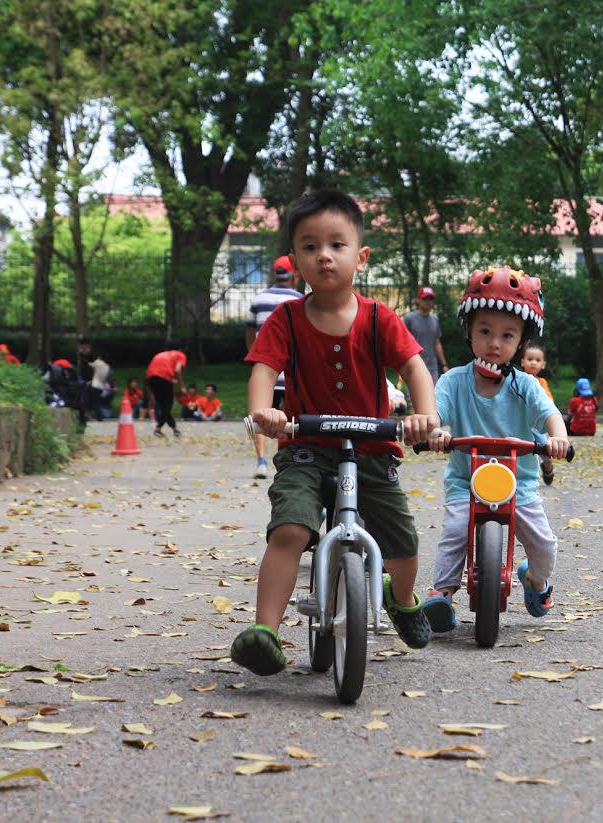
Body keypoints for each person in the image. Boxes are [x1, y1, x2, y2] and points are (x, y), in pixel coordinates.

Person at [231, 190, 438, 675]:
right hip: (306, 447)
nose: (323, 255)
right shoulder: (285, 320)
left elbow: (414, 368)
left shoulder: (378, 318)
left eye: (336, 244)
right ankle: (266, 631)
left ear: (360, 257)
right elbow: (263, 368)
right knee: (290, 529)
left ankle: (401, 599)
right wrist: (265, 412)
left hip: (371, 450)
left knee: (402, 543)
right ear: (295, 260)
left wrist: (424, 416)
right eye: (309, 246)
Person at [421, 265, 569, 633]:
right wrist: (436, 430)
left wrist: (558, 438)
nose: (494, 343)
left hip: (520, 483)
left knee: (544, 544)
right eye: (484, 331)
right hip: (465, 479)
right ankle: (442, 593)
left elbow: (551, 415)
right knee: (455, 532)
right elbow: (435, 413)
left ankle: (536, 582)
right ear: (469, 332)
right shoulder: (455, 381)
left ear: (521, 343)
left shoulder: (527, 386)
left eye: (507, 335)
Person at [246, 255, 303, 479]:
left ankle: (261, 461)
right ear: (294, 274)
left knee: (259, 417)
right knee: (291, 421)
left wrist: (257, 359)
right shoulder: (299, 300)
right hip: (290, 374)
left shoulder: (259, 299)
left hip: (265, 372)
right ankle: (290, 462)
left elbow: (250, 332)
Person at [520, 342, 557, 485]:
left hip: (535, 426)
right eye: (530, 359)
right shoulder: (516, 380)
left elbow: (548, 402)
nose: (533, 363)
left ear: (543, 364)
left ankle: (547, 468)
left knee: (546, 452)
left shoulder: (541, 383)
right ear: (523, 362)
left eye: (537, 360)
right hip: (519, 424)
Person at [403, 285, 450, 385]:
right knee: (415, 398)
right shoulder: (409, 318)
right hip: (414, 366)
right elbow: (403, 342)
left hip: (432, 367)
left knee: (434, 396)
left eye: (431, 299)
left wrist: (444, 365)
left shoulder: (435, 319)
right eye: (425, 299)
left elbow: (437, 343)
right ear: (418, 300)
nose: (428, 302)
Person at [145, 343, 186, 439]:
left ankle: (175, 429)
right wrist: (182, 387)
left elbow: (152, 370)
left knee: (163, 406)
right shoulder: (180, 355)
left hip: (150, 377)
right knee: (168, 405)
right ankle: (158, 429)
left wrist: (151, 396)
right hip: (164, 377)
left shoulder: (161, 354)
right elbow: (178, 370)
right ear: (179, 349)